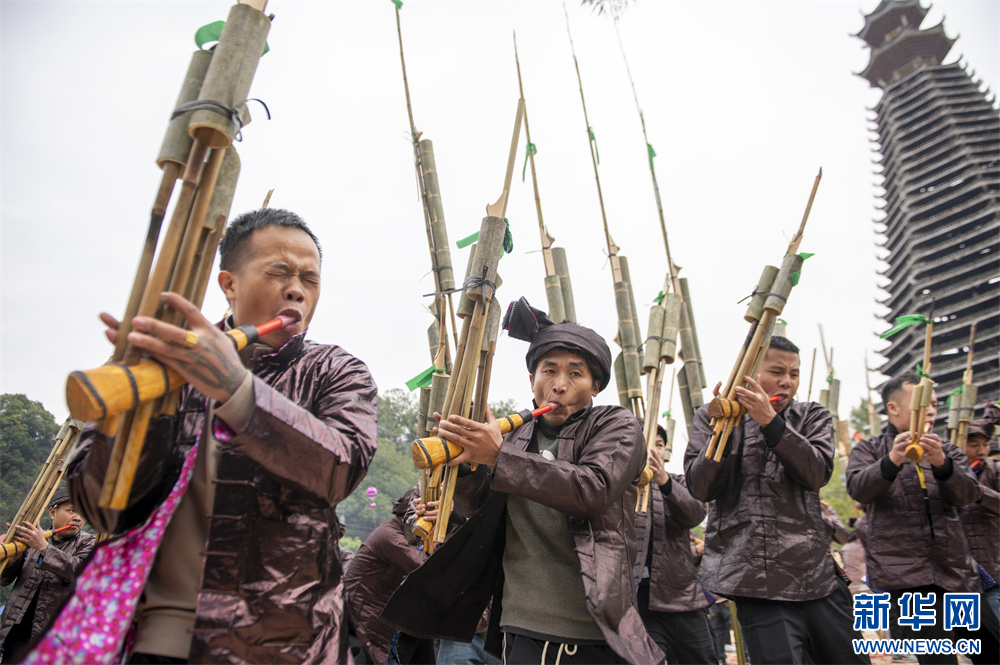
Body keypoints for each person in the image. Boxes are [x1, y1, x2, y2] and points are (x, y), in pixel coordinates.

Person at [48, 209, 378, 664]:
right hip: (151, 639)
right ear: (229, 284)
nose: (296, 290)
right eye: (279, 271)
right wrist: (133, 409)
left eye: (310, 279)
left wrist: (238, 391)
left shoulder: (337, 371)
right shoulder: (165, 362)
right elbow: (99, 508)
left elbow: (340, 469)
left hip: (279, 645)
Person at [382, 298, 662, 664]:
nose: (559, 385)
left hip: (591, 627)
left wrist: (498, 456)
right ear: (532, 381)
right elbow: (483, 511)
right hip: (520, 623)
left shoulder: (616, 426)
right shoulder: (515, 437)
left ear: (596, 386)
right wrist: (463, 473)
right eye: (549, 371)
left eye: (575, 374)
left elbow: (591, 489)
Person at [685, 336, 868, 665]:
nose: (787, 381)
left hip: (816, 573)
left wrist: (770, 420)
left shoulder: (811, 415)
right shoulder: (710, 417)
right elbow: (700, 488)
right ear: (749, 372)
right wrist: (723, 430)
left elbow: (817, 472)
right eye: (777, 371)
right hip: (754, 579)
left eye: (794, 374)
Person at [846, 373, 998, 665]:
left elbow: (967, 495)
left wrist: (943, 464)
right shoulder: (870, 449)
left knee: (992, 650)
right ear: (893, 408)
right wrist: (892, 461)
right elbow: (859, 490)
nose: (930, 411)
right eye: (923, 404)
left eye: (935, 405)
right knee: (938, 661)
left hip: (955, 574)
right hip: (907, 583)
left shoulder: (948, 450)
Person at [633, 423, 715, 664]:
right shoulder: (620, 486)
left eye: (659, 445)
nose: (654, 450)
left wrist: (664, 482)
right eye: (649, 444)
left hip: (681, 597)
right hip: (638, 601)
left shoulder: (678, 481)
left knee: (701, 658)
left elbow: (695, 514)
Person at [0, 487, 94, 661]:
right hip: (15, 633)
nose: (78, 518)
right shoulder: (33, 539)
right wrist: (11, 556)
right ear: (52, 512)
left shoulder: (89, 542)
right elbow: (5, 579)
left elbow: (82, 572)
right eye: (72, 510)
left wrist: (44, 548)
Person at [344, 490, 434, 665]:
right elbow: (425, 568)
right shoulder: (390, 536)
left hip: (382, 628)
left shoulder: (406, 538)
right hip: (365, 628)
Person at [959, 405, 999, 622]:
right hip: (963, 563)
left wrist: (979, 491)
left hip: (993, 555)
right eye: (973, 445)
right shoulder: (946, 473)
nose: (981, 450)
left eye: (984, 444)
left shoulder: (994, 469)